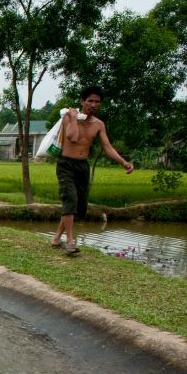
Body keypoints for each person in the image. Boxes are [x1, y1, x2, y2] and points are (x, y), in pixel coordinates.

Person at [50, 85, 133, 255]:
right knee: (70, 200)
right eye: (90, 101)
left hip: (82, 166)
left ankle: (56, 238)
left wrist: (123, 162)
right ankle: (70, 242)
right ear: (82, 101)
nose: (93, 105)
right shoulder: (68, 117)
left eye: (97, 102)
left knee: (79, 206)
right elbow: (72, 138)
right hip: (66, 164)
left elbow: (107, 147)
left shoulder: (98, 124)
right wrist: (73, 118)